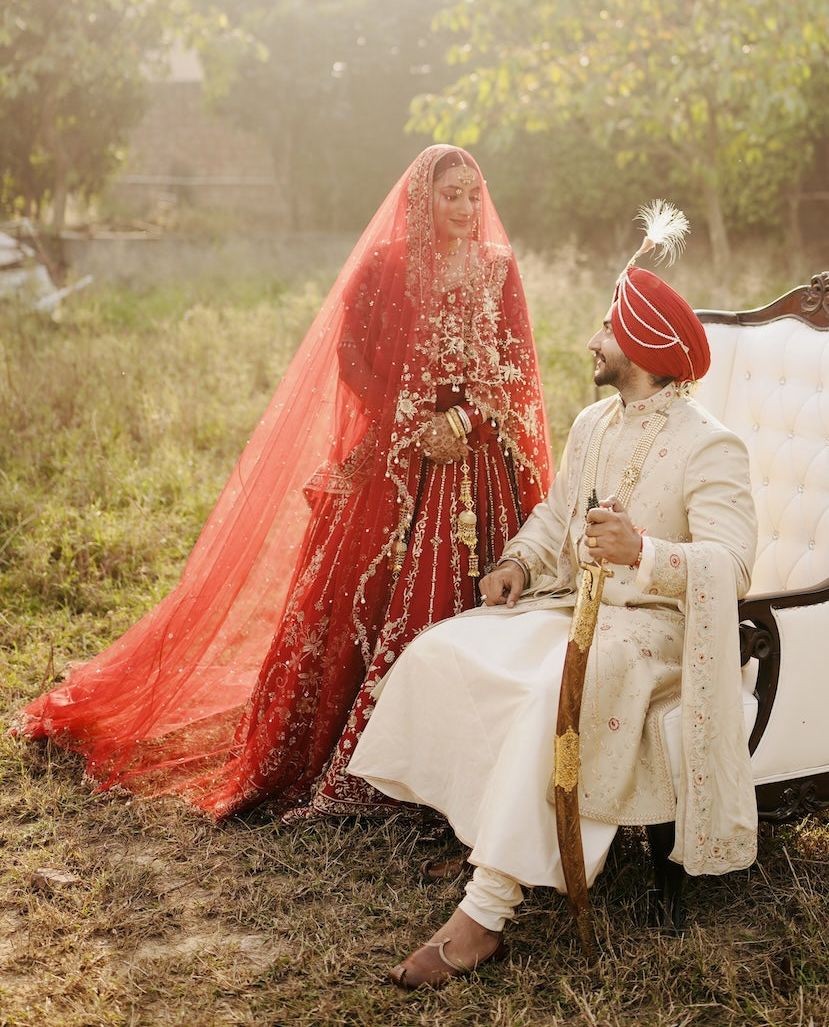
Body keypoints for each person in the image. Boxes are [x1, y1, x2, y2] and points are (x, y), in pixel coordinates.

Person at [15, 145, 553, 820]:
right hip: (397, 454)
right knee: (362, 598)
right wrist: (409, 420)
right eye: (451, 194)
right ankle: (373, 757)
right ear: (423, 199)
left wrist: (467, 419)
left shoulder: (497, 267)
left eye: (474, 195)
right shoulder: (387, 265)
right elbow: (350, 349)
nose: (465, 208)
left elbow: (515, 366)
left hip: (474, 461)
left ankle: (468, 759)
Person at [347, 235, 759, 989]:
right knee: (450, 650)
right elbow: (555, 514)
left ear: (635, 345)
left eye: (606, 328)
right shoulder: (594, 423)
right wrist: (517, 563)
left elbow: (731, 569)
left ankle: (484, 914)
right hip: (577, 607)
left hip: (655, 635)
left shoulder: (712, 446)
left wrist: (644, 550)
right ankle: (483, 828)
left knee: (548, 695)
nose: (592, 340)